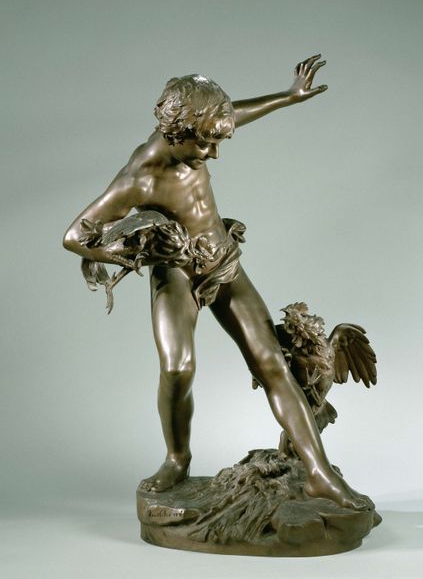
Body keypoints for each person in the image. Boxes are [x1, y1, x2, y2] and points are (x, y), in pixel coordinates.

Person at [63, 55, 373, 511]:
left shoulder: (201, 130)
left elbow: (235, 113)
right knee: (177, 368)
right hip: (175, 271)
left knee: (272, 362)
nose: (214, 154)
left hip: (223, 262)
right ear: (177, 133)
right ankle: (177, 458)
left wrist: (288, 97)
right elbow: (74, 235)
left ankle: (318, 474)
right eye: (206, 144)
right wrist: (120, 254)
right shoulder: (139, 179)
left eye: (217, 141)